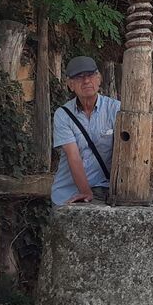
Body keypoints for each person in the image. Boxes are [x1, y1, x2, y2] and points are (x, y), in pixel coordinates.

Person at [50, 56, 120, 206]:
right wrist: (85, 192)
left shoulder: (116, 110)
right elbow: (73, 156)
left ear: (99, 78)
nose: (86, 81)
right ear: (70, 84)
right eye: (79, 77)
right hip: (69, 192)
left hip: (104, 190)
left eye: (91, 75)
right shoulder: (63, 115)